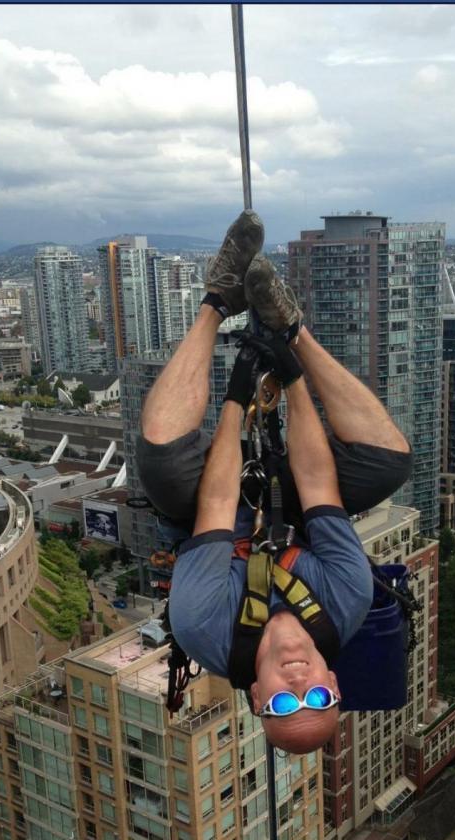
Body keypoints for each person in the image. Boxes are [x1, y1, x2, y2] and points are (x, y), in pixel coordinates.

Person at [137, 210, 412, 754]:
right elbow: (315, 483)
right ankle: (291, 325)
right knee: (389, 461)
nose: (298, 685)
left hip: (211, 513)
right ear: (334, 684)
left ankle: (217, 300)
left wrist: (237, 399)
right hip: (292, 503)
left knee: (163, 459)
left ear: (257, 695)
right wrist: (289, 375)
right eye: (317, 697)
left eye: (284, 704)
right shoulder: (345, 602)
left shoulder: (203, 626)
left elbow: (215, 503)